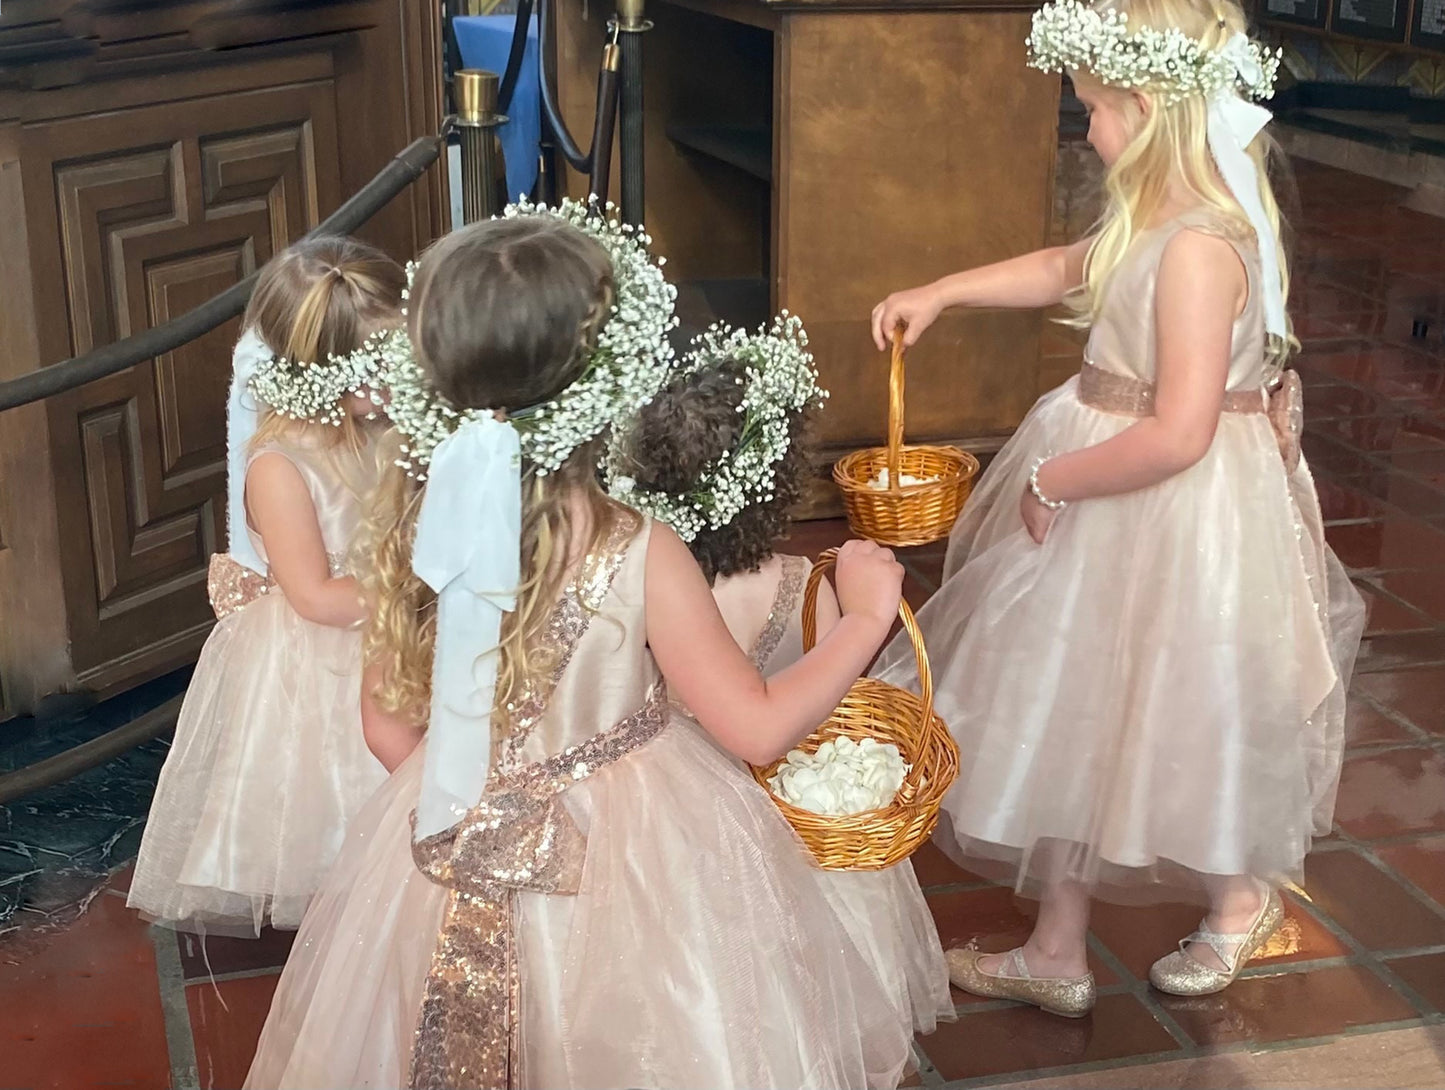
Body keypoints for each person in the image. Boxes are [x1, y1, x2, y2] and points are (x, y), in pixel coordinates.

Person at [246, 205, 923, 1089]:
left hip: (453, 832)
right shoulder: (638, 549)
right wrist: (866, 619)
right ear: (607, 383)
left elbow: (385, 729)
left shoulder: (417, 529)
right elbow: (755, 728)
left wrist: (482, 809)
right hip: (632, 859)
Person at [869, 0, 1365, 1016]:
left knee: (1178, 705)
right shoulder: (1154, 213)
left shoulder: (1198, 246)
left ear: (1145, 106)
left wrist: (1052, 480)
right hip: (1109, 480)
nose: (1085, 129)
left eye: (1092, 110)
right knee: (1072, 702)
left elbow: (1179, 430)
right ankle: (1055, 946)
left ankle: (1236, 902)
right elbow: (1071, 267)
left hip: (1168, 505)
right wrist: (943, 290)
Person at [609, 318, 953, 1039]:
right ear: (774, 479)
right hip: (787, 846)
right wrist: (864, 618)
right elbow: (823, 713)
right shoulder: (804, 587)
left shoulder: (629, 586)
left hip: (654, 845)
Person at [128, 237, 401, 934]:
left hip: (399, 638)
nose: (395, 378)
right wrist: (423, 587)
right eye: (375, 365)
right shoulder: (280, 467)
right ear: (315, 372)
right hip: (326, 662)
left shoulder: (388, 426)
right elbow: (314, 597)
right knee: (350, 824)